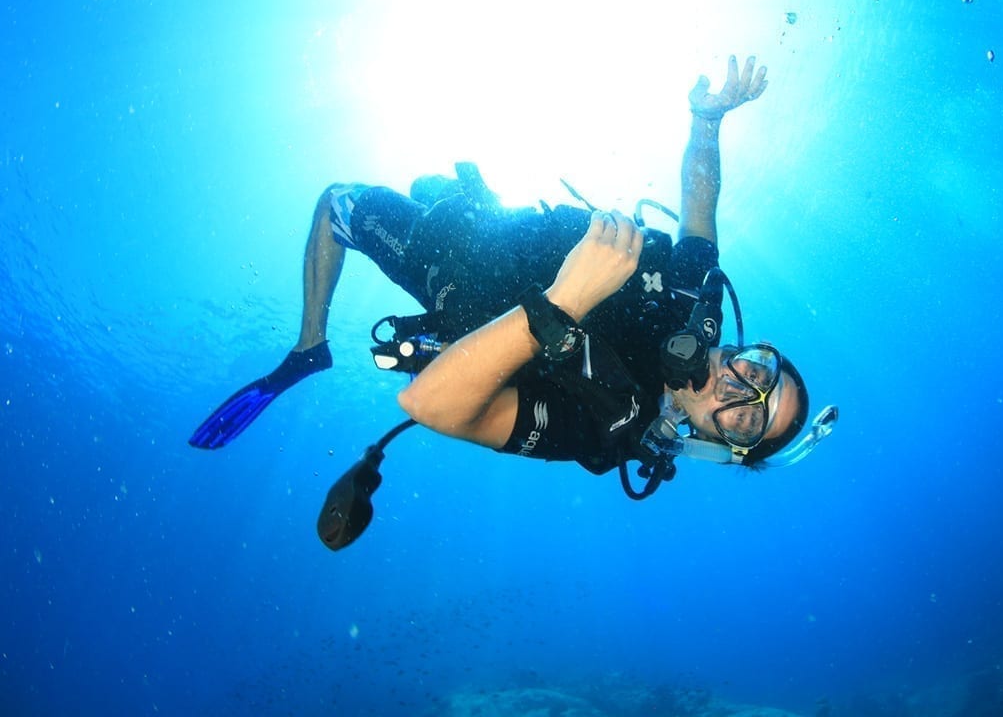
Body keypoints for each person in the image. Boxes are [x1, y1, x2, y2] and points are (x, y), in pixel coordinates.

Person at [190, 55, 820, 488]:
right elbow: (700, 209)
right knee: (437, 186)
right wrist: (706, 121)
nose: (736, 389)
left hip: (452, 272)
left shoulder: (608, 429)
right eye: (758, 372)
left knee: (337, 204)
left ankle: (309, 346)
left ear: (717, 444)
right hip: (499, 224)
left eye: (745, 416)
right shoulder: (693, 302)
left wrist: (567, 300)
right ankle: (462, 198)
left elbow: (430, 404)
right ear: (751, 350)